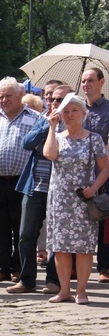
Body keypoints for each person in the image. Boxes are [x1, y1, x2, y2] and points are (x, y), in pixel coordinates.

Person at [43, 93, 109, 304]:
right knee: (60, 246)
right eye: (66, 111)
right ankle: (64, 290)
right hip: (60, 200)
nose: (70, 115)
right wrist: (52, 128)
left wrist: (94, 188)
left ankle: (81, 290)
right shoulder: (58, 136)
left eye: (74, 111)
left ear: (83, 113)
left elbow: (105, 169)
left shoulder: (94, 139)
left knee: (83, 247)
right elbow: (49, 154)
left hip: (84, 199)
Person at [0, 77, 39, 283]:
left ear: (20, 95)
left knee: (20, 227)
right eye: (1, 96)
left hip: (23, 181)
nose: (3, 100)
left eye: (8, 96)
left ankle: (18, 268)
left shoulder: (35, 118)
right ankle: (1, 267)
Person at [9, 83, 68, 294]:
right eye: (50, 98)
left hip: (59, 189)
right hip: (34, 186)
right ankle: (27, 280)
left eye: (59, 99)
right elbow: (26, 142)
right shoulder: (42, 118)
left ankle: (53, 280)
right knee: (26, 234)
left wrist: (54, 131)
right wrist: (47, 126)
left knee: (55, 237)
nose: (53, 103)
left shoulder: (73, 122)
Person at [81, 68, 109, 283]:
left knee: (103, 220)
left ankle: (104, 267)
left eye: (90, 80)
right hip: (78, 174)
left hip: (103, 173)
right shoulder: (75, 109)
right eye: (83, 80)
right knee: (78, 220)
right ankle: (75, 266)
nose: (86, 84)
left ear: (102, 82)